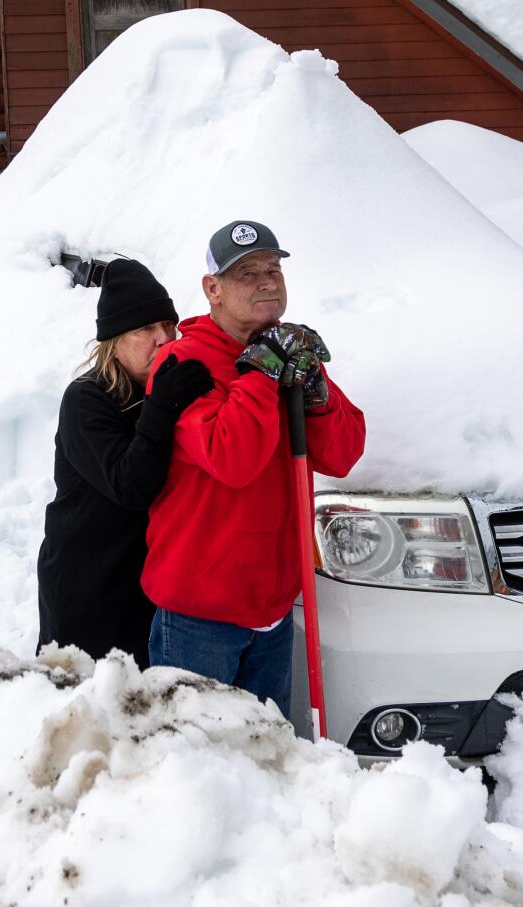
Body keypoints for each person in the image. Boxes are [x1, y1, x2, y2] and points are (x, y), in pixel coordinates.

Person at [143, 221, 366, 716]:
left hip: (272, 609)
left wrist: (316, 394)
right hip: (198, 614)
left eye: (274, 268)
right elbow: (232, 458)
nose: (267, 281)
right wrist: (261, 374)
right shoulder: (183, 364)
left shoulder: (287, 351)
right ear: (212, 289)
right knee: (194, 762)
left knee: (269, 764)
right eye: (246, 273)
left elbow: (343, 454)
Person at [37, 259, 213, 669]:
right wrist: (161, 407)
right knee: (85, 712)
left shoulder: (166, 388)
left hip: (145, 584)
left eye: (168, 325)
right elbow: (130, 485)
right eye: (145, 329)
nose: (163, 339)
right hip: (86, 583)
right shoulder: (86, 399)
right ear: (114, 340)